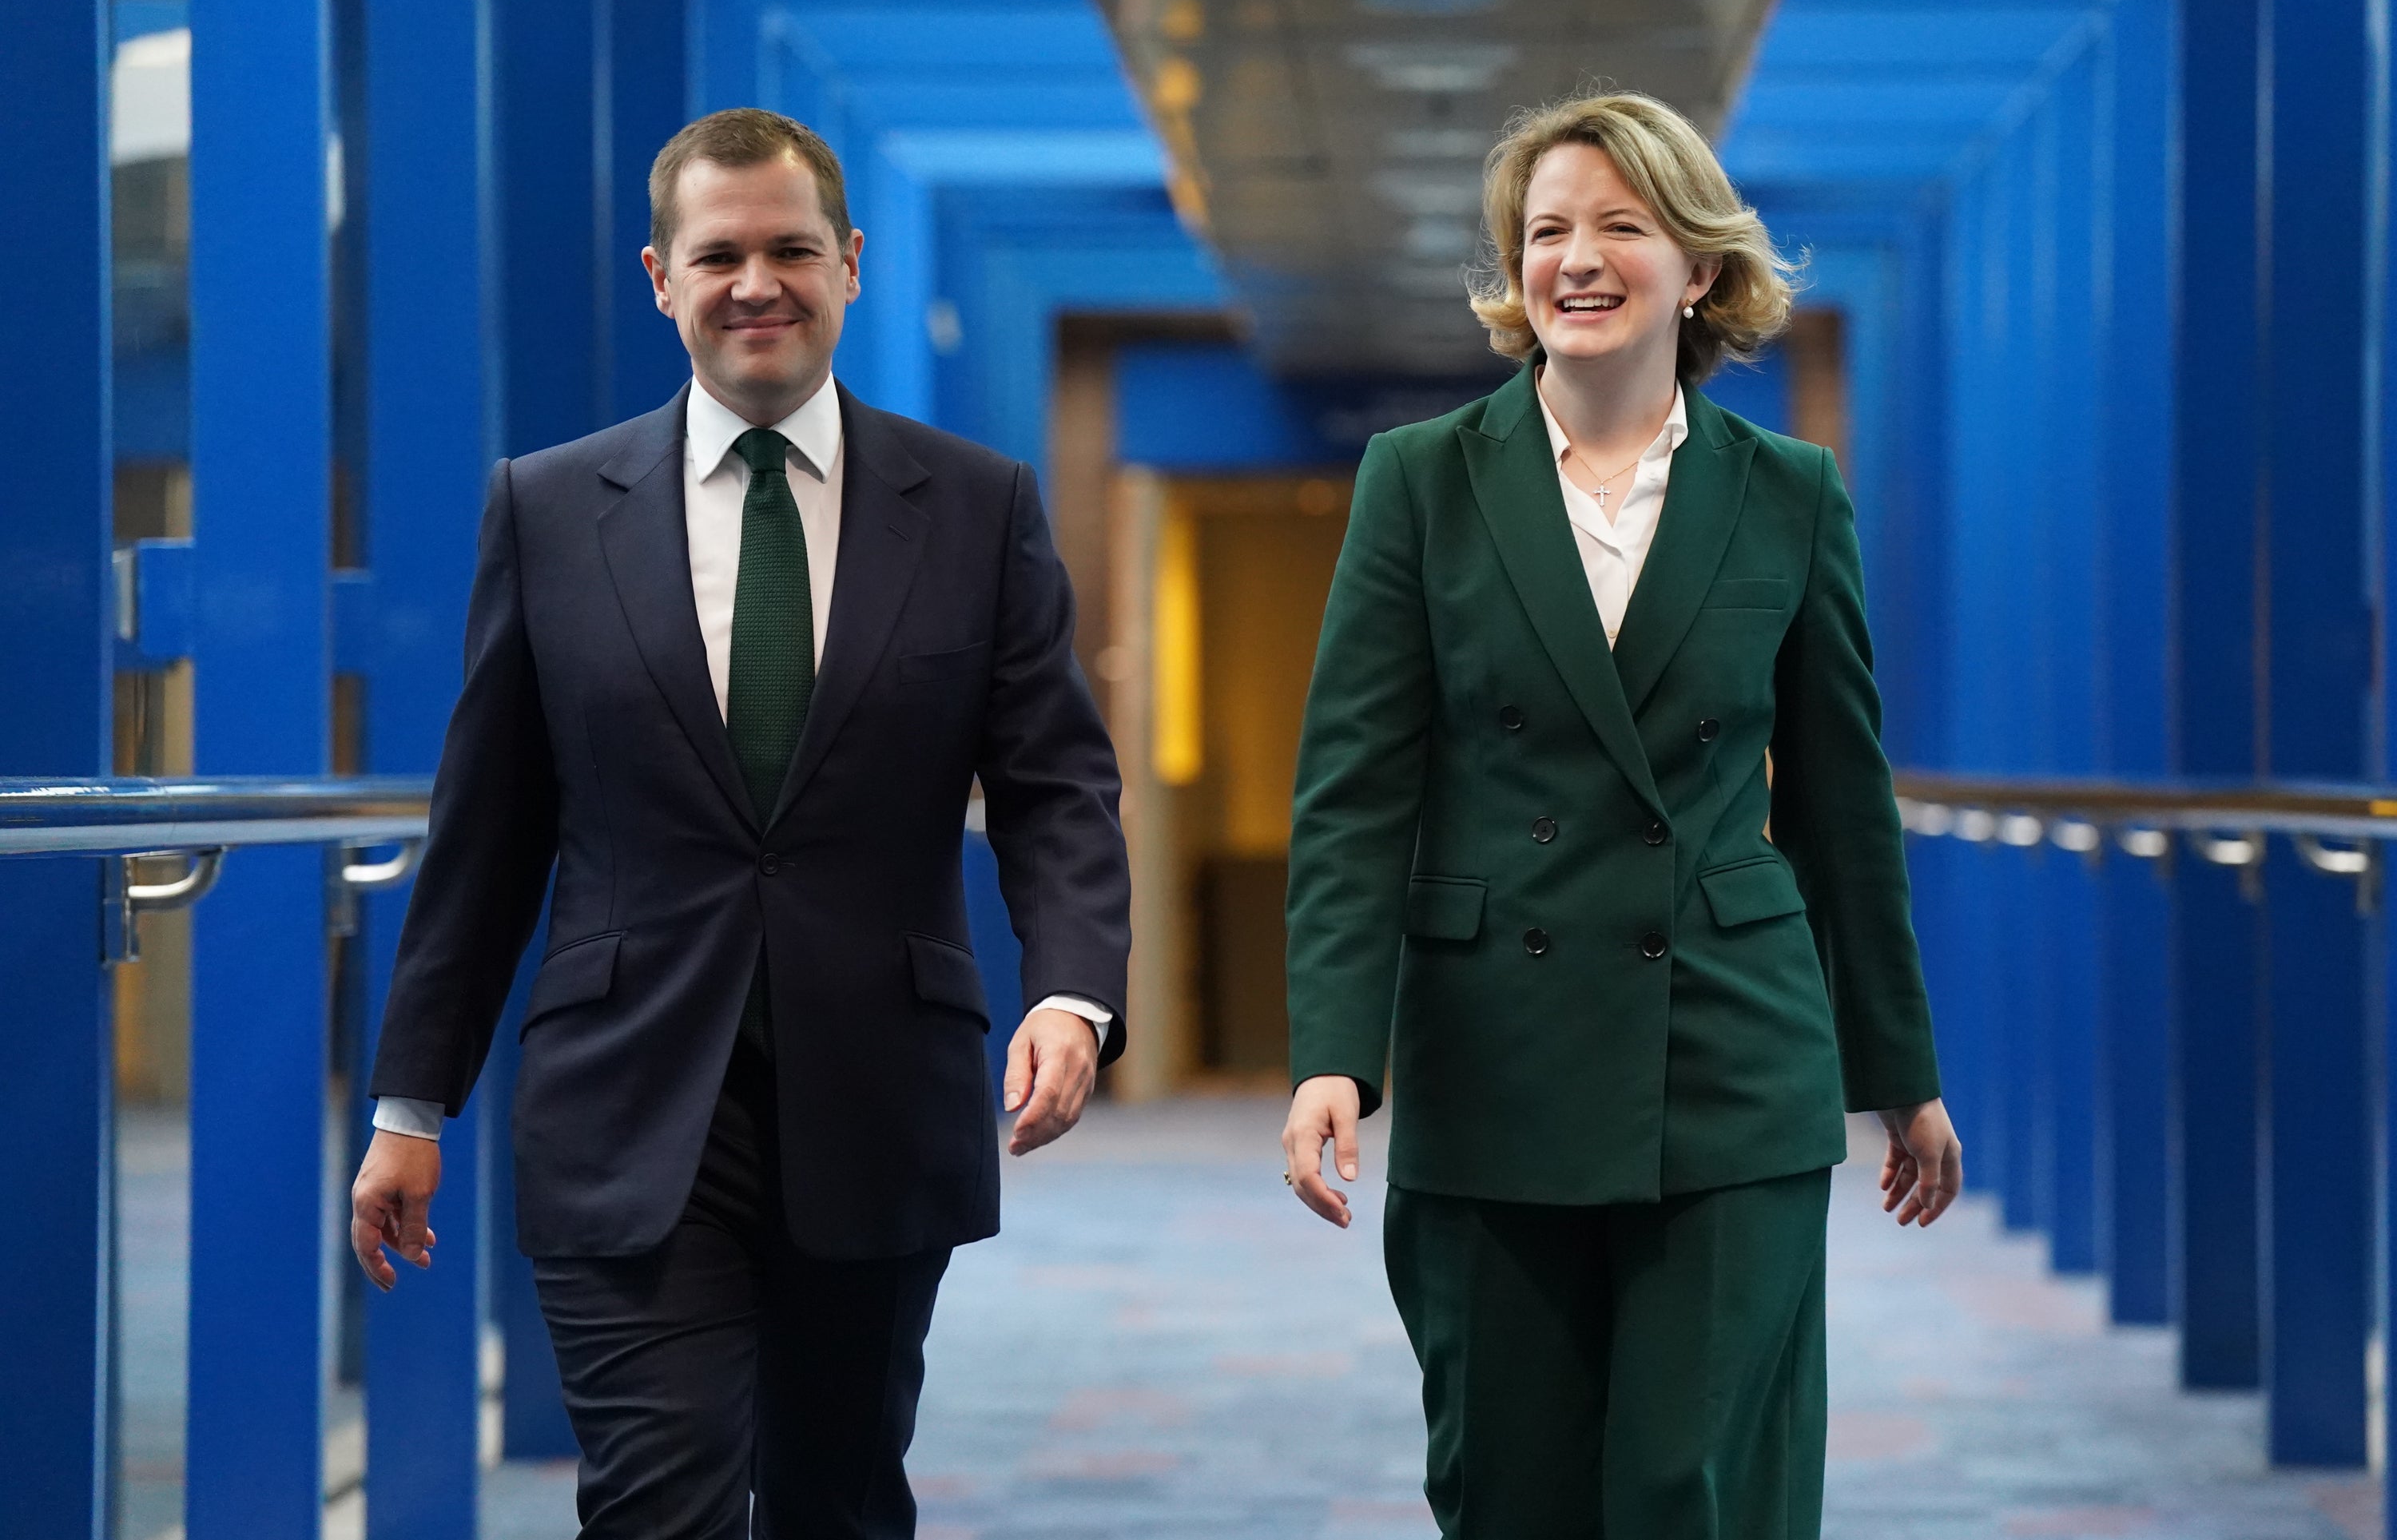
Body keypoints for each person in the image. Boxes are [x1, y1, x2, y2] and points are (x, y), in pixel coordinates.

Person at [348, 108, 1130, 1538]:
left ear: (850, 265)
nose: (755, 282)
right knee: (661, 1503)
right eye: (720, 255)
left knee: (837, 1495)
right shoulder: (547, 508)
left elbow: (1052, 783)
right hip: (626, 1096)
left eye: (790, 250)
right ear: (661, 276)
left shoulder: (973, 505)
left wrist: (1073, 991)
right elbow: (489, 829)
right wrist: (412, 1101)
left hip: (876, 1095)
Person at [1278, 89, 1962, 1538]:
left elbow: (1845, 807)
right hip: (1491, 1054)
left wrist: (1900, 1066)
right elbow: (1354, 795)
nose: (1574, 258)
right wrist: (1335, 1054)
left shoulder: (1789, 495)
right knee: (1506, 1490)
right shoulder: (1421, 481)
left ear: (1696, 269)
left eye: (1618, 226)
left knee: (1692, 1489)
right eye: (1545, 231)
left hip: (1728, 1053)